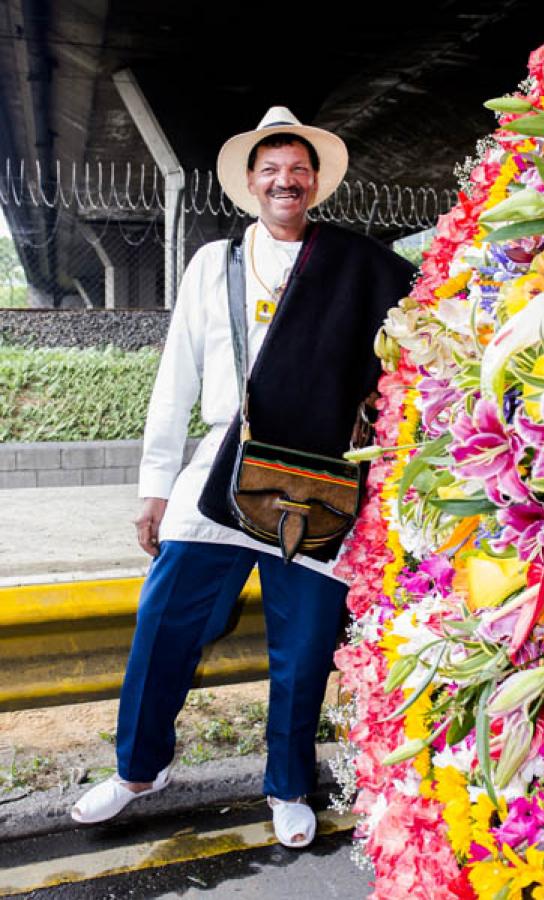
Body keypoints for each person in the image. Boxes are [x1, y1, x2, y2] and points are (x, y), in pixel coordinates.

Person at [71, 106, 415, 847]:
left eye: (298, 169)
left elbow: (413, 349)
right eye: (271, 170)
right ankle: (140, 768)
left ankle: (288, 784)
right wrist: (155, 487)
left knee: (307, 648)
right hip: (217, 481)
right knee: (164, 622)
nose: (284, 180)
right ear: (251, 184)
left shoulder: (358, 270)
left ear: (315, 182)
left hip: (319, 486)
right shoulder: (213, 263)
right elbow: (176, 380)